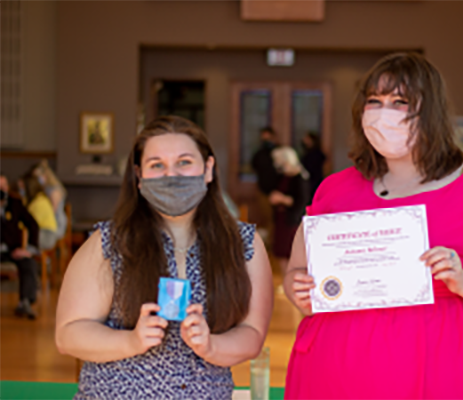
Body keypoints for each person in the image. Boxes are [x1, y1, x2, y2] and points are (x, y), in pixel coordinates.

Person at [283, 53, 463, 400]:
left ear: (431, 113)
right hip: (339, 376)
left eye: (400, 101)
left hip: (453, 375)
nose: (384, 112)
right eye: (374, 101)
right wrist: (298, 288)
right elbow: (298, 271)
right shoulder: (336, 190)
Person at [55, 116, 273, 399]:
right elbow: (67, 335)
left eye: (184, 162)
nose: (172, 175)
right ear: (139, 176)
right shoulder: (109, 243)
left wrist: (211, 346)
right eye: (157, 165)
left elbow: (252, 334)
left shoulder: (243, 243)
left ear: (208, 169)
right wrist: (130, 341)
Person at [0, 172, 40, 319]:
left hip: (12, 251)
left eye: (3, 186)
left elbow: (33, 224)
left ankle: (25, 302)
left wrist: (28, 249)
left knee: (28, 263)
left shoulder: (15, 204)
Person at [269, 147, 310, 275]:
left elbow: (302, 201)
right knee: (280, 251)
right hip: (281, 217)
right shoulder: (282, 176)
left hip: (293, 220)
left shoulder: (300, 177)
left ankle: (293, 280)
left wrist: (282, 199)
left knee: (291, 251)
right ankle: (284, 278)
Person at [251, 127, 280, 247]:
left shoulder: (278, 152)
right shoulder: (259, 153)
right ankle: (266, 242)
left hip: (278, 190)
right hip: (263, 189)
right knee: (265, 216)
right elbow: (254, 165)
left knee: (276, 218)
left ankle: (274, 242)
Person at [30, 160, 68, 239]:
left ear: (45, 176)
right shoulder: (45, 189)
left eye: (37, 177)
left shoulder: (54, 191)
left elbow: (52, 211)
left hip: (56, 224)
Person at [22, 173, 59, 251]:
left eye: (22, 187)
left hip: (46, 235)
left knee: (22, 238)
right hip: (47, 233)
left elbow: (31, 224)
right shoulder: (40, 198)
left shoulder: (38, 202)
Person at [300, 132, 326, 200]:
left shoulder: (316, 154)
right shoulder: (306, 152)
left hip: (313, 181)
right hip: (308, 181)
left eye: (307, 138)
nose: (304, 140)